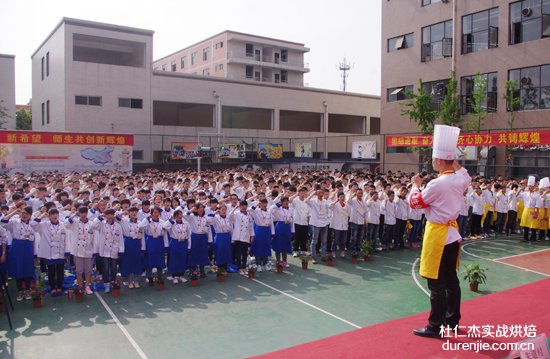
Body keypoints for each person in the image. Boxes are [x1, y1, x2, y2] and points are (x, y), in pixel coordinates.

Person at [409, 125, 471, 338]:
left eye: (434, 159)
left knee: (436, 282)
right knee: (451, 280)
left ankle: (435, 325)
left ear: (438, 161)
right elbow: (466, 174)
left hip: (438, 235)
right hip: (452, 234)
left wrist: (415, 185)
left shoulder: (437, 183)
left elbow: (415, 203)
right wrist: (455, 162)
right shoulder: (459, 179)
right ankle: (452, 321)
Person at [33, 208, 70, 297]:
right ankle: (53, 287)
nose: (54, 216)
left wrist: (67, 251)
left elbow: (66, 238)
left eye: (56, 214)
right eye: (52, 214)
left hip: (60, 251)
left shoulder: (62, 225)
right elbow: (33, 224)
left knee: (60, 270)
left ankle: (60, 287)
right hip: (49, 252)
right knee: (51, 271)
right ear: (49, 216)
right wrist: (42, 215)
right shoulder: (43, 225)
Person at [66, 206, 96, 294]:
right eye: (81, 212)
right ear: (79, 213)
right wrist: (73, 215)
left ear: (87, 213)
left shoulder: (91, 223)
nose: (83, 214)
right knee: (79, 270)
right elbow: (66, 224)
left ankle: (87, 286)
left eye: (85, 212)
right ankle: (80, 286)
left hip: (88, 249)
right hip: (78, 250)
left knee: (88, 270)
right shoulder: (74, 222)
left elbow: (94, 236)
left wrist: (94, 249)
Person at [94, 209, 125, 293]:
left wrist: (121, 250)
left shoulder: (117, 225)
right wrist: (99, 218)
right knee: (106, 268)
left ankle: (113, 283)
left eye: (111, 214)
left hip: (114, 249)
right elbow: (93, 226)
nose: (110, 216)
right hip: (105, 250)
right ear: (105, 215)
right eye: (108, 214)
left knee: (114, 268)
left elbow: (120, 238)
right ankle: (106, 284)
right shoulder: (101, 224)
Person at [117, 207, 145, 288]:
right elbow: (116, 217)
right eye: (132, 211)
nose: (134, 213)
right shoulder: (124, 221)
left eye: (135, 211)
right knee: (128, 261)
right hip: (128, 243)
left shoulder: (140, 223)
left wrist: (143, 247)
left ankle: (136, 280)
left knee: (137, 261)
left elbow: (142, 236)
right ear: (129, 213)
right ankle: (129, 281)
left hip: (137, 243)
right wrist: (123, 212)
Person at [164, 210, 190, 283]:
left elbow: (188, 234)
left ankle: (181, 275)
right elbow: (165, 226)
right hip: (175, 242)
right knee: (174, 259)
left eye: (181, 215)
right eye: (178, 215)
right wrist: (171, 220)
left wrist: (189, 245)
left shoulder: (186, 224)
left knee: (182, 258)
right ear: (175, 216)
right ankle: (174, 276)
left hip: (183, 242)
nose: (180, 216)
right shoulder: (172, 223)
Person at [230, 201, 254, 275]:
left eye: (245, 205)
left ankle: (244, 267)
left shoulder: (249, 215)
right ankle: (239, 267)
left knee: (245, 253)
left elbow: (251, 226)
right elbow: (230, 216)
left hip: (246, 236)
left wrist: (252, 235)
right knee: (238, 253)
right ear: (240, 206)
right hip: (238, 237)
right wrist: (235, 208)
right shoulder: (237, 213)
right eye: (242, 205)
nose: (244, 207)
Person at [271, 197, 293, 267]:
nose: (286, 202)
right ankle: (278, 260)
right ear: (281, 202)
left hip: (287, 228)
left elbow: (292, 219)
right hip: (280, 227)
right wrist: (278, 204)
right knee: (278, 244)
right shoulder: (278, 209)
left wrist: (292, 230)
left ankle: (284, 261)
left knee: (285, 244)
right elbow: (271, 210)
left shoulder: (290, 209)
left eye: (287, 201)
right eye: (284, 201)